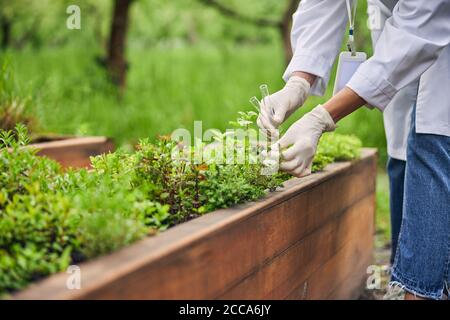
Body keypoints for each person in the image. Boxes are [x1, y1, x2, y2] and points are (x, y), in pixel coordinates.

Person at [258, 0, 450, 300]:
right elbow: (323, 5)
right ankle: (403, 279)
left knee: (433, 138)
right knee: (401, 144)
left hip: (432, 22)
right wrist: (297, 85)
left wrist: (322, 118)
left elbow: (419, 29)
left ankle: (421, 289)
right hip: (401, 23)